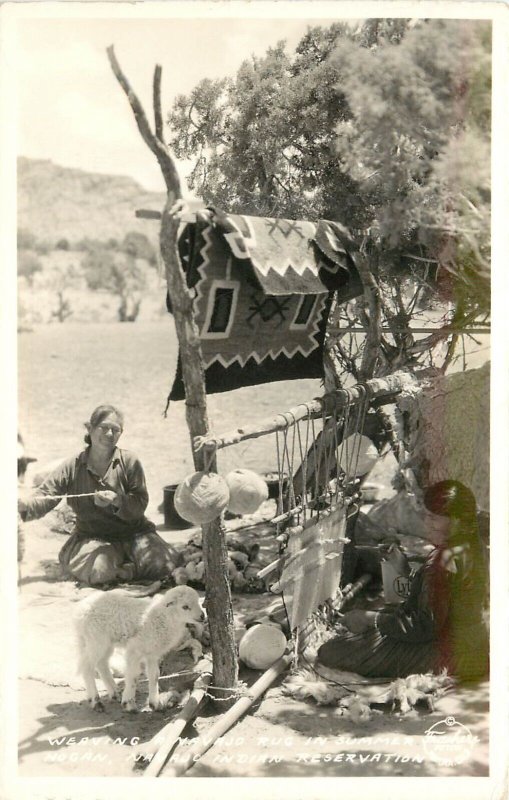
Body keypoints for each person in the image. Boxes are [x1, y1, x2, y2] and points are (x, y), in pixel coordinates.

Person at [317, 480, 489, 682]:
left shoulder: (446, 560)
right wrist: (401, 566)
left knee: (332, 651)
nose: (427, 523)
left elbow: (423, 626)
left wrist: (370, 619)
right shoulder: (471, 546)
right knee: (373, 627)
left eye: (434, 518)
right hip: (471, 646)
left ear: (458, 520)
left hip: (452, 654)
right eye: (427, 516)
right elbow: (440, 599)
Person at [18, 404, 179, 587]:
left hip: (134, 533)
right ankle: (126, 569)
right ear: (90, 428)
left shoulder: (130, 461)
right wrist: (25, 505)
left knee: (165, 565)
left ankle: (125, 569)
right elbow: (47, 495)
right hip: (92, 538)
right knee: (100, 571)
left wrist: (118, 500)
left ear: (121, 433)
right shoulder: (73, 466)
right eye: (103, 427)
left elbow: (140, 502)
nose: (109, 434)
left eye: (115, 429)